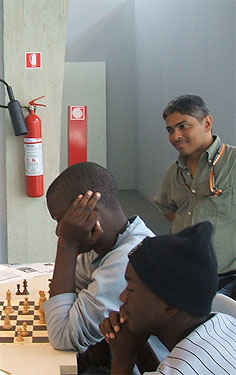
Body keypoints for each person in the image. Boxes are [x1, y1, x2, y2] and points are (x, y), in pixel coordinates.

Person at [43, 162, 159, 367]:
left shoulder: (129, 260)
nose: (58, 231)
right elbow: (65, 290)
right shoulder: (105, 246)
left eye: (61, 220)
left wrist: (67, 244)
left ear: (89, 212)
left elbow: (62, 335)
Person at [99, 221, 236, 374]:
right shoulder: (225, 321)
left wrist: (123, 357)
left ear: (170, 306)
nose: (122, 297)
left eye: (130, 289)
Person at [154, 94, 236, 298]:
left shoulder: (232, 163)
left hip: (226, 277)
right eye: (170, 130)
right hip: (183, 272)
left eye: (184, 126)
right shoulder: (173, 172)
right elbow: (167, 208)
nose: (176, 136)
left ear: (207, 122)